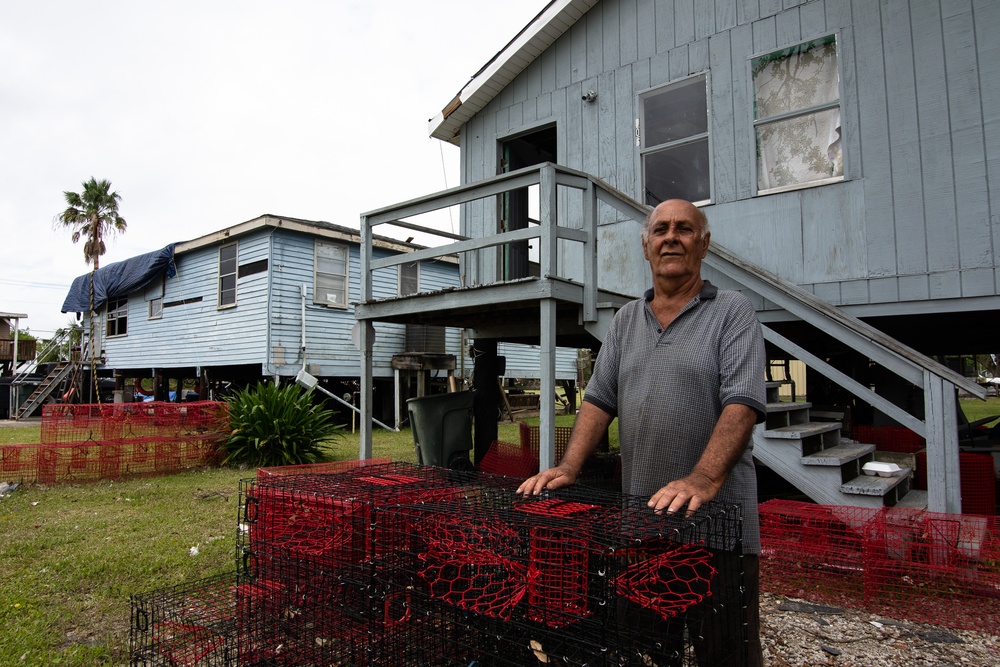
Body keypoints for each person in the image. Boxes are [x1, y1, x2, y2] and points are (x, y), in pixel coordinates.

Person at [518, 199, 766, 667]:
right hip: (645, 525)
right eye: (661, 230)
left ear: (704, 244)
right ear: (647, 248)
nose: (671, 236)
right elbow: (598, 400)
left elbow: (742, 404)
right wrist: (569, 466)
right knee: (649, 648)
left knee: (727, 649)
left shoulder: (733, 312)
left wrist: (703, 479)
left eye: (685, 229)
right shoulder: (626, 321)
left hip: (721, 529)